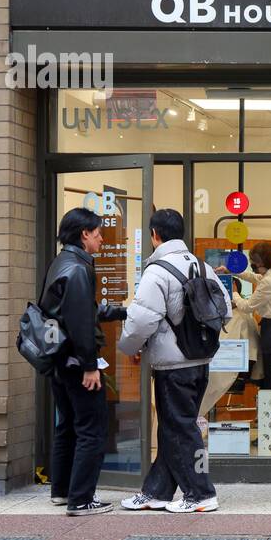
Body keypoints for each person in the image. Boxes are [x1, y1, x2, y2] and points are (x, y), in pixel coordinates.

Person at [117, 209, 232, 513]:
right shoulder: (203, 266)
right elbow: (227, 310)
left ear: (155, 234)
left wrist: (127, 346)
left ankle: (201, 493)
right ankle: (157, 491)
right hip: (200, 361)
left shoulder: (158, 271)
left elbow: (141, 320)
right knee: (174, 427)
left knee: (182, 429)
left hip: (173, 366)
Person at [41, 207, 128, 516]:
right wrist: (90, 366)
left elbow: (79, 312)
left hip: (59, 360)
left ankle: (62, 491)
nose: (102, 239)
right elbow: (80, 323)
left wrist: (120, 310)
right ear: (84, 234)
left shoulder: (60, 263)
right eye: (98, 233)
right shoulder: (78, 269)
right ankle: (81, 499)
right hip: (79, 364)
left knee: (67, 426)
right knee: (92, 429)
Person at [217, 242, 271, 390]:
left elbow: (246, 307)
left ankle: (270, 406)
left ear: (263, 263)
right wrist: (230, 271)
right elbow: (255, 277)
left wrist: (234, 292)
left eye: (254, 264)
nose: (253, 267)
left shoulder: (270, 281)